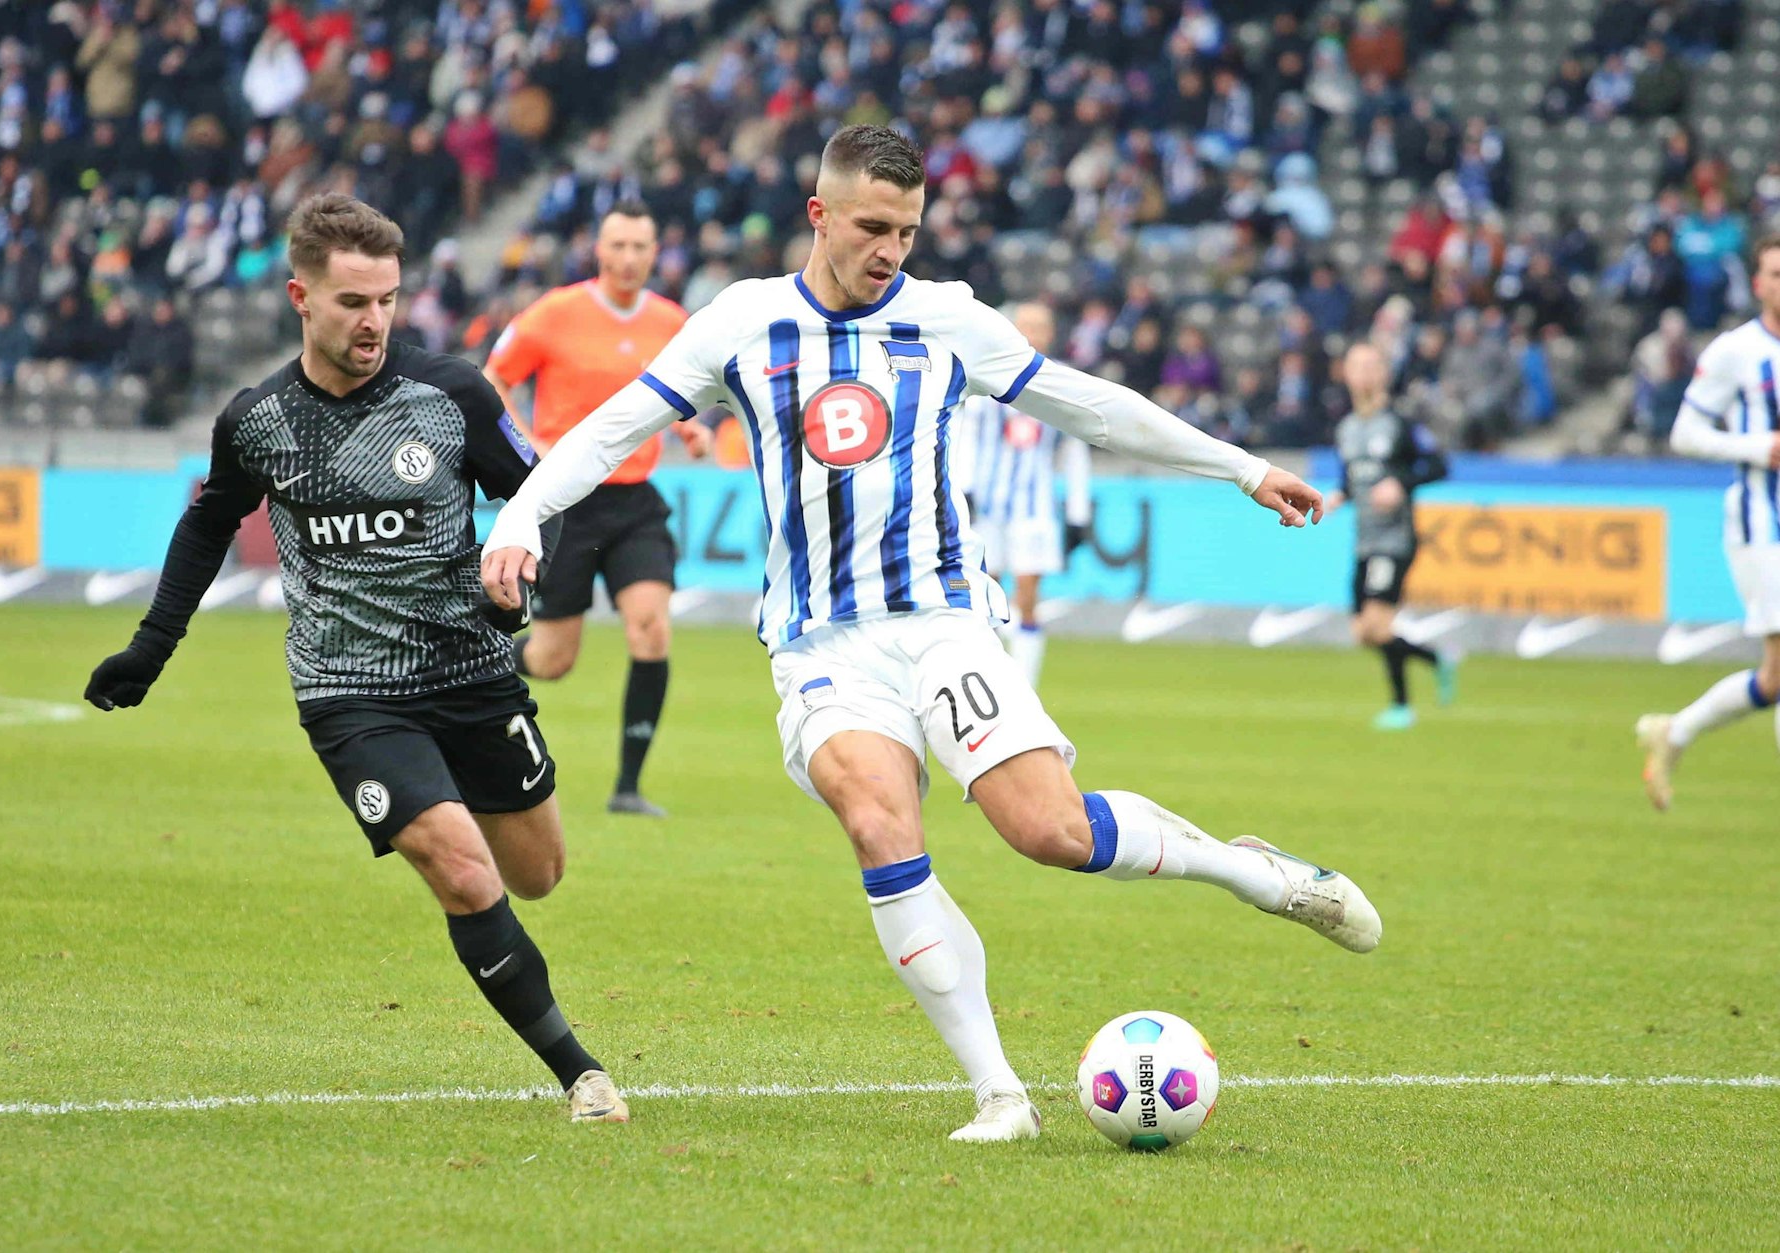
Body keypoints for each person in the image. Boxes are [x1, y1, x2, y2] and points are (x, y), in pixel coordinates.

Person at [480, 126, 1381, 1143]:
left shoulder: (944, 318)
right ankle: (999, 1091)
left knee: (1050, 832)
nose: (889, 250)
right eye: (871, 227)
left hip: (945, 622)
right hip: (820, 644)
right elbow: (611, 427)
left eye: (906, 230)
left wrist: (1240, 467)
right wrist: (517, 517)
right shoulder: (743, 320)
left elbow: (1085, 405)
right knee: (879, 822)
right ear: (818, 214)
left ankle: (1250, 870)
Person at [83, 194, 629, 1124]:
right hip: (350, 693)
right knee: (462, 871)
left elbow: (543, 498)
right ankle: (583, 1076)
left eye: (386, 299)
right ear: (301, 296)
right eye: (351, 302)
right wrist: (151, 646)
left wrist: (518, 578)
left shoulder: (450, 395)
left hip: (469, 670)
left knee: (538, 872)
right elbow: (208, 523)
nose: (374, 320)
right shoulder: (258, 422)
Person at [482, 201, 711, 817]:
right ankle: (469, 665)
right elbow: (493, 379)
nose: (630, 258)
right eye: (619, 246)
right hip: (568, 503)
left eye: (641, 247)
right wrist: (527, 441)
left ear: (656, 251)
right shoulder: (554, 313)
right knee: (553, 660)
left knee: (651, 627)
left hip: (636, 501)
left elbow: (688, 393)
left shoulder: (673, 321)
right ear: (598, 250)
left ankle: (629, 788)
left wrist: (690, 432)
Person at [1637, 234, 1780, 810]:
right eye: (1773, 273)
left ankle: (1677, 730)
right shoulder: (1736, 351)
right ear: (1757, 282)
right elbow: (1684, 433)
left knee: (1773, 679)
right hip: (1759, 521)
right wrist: (1756, 446)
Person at [957, 301, 1092, 689]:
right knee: (988, 594)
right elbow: (966, 437)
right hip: (987, 504)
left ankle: (1024, 688)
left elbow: (1075, 451)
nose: (1032, 332)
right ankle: (992, 682)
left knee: (1028, 594)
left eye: (1040, 326)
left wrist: (1078, 513)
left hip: (1034, 509)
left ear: (1051, 333)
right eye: (1025, 325)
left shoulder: (1063, 383)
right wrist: (963, 490)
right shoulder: (987, 381)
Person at [1327, 341, 1457, 731]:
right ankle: (1435, 659)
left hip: (1395, 540)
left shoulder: (1400, 422)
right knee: (1362, 633)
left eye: (1371, 365)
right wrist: (1340, 496)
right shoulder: (1347, 428)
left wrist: (1401, 483)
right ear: (1346, 374)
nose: (1364, 373)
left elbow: (1438, 465)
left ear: (1383, 373)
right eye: (1356, 365)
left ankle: (1402, 707)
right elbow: (1353, 479)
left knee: (1377, 627)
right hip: (1364, 540)